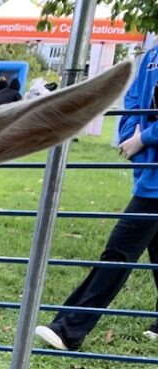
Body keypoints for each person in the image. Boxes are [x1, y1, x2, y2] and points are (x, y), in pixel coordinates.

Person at [35, 43, 158, 351]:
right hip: (148, 170)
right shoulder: (153, 54)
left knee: (119, 251)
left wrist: (144, 138)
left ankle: (69, 328)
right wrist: (131, 136)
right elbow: (133, 101)